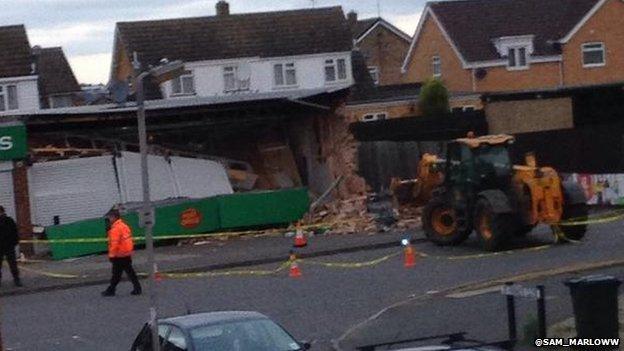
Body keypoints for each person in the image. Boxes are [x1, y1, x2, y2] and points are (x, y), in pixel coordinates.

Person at [102, 209, 142, 296]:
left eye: (109, 217)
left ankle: (111, 290)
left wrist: (111, 255)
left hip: (119, 254)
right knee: (128, 272)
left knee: (117, 273)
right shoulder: (124, 225)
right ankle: (137, 288)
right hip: (126, 252)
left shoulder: (115, 229)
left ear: (113, 217)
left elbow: (114, 243)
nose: (108, 219)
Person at [0, 205, 22, 287]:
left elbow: (15, 232)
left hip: (8, 246)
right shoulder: (10, 220)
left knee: (12, 264)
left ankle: (16, 279)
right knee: (12, 264)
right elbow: (15, 232)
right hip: (7, 246)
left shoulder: (9, 220)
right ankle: (16, 280)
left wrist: (14, 242)